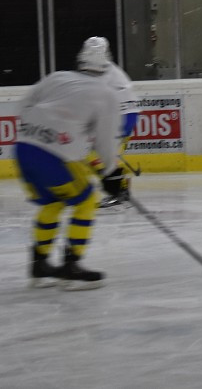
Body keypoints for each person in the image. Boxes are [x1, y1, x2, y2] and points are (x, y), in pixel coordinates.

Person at [13, 37, 123, 290]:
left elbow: (22, 105)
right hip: (53, 157)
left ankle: (39, 263)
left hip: (24, 149)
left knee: (53, 201)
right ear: (107, 66)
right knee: (86, 200)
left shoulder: (57, 78)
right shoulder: (106, 95)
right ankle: (71, 264)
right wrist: (111, 174)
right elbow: (106, 143)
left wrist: (45, 129)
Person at [82, 37, 141, 210]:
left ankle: (119, 192)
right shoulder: (107, 70)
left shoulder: (103, 72)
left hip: (122, 117)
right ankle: (120, 190)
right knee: (102, 157)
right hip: (125, 116)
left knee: (99, 158)